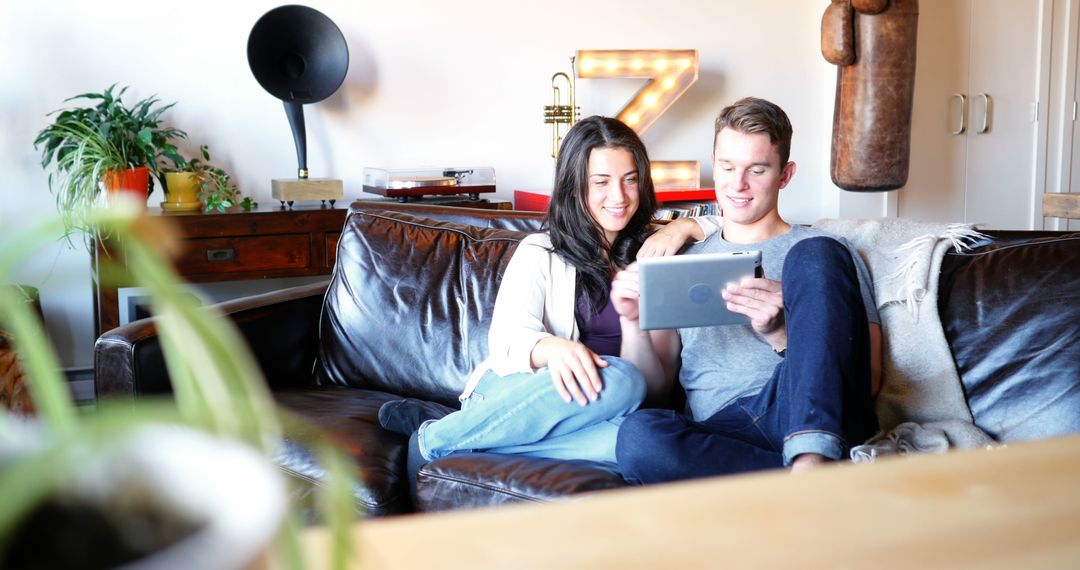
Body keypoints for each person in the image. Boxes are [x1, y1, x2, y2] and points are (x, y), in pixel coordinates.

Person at [378, 116, 668, 488]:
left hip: (595, 413)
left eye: (630, 180)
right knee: (624, 378)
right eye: (602, 182)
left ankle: (456, 436)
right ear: (575, 187)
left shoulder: (656, 260)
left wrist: (688, 227)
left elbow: (657, 389)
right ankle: (431, 442)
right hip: (519, 391)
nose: (620, 196)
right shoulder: (541, 251)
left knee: (644, 439)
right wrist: (553, 349)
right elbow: (507, 340)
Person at [610, 97, 881, 483]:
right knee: (638, 437)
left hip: (810, 412)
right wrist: (632, 320)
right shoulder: (680, 258)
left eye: (757, 170)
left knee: (816, 251)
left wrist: (780, 335)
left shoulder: (827, 255)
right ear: (714, 165)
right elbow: (655, 392)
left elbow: (867, 381)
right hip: (728, 432)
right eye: (727, 167)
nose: (738, 184)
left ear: (785, 175)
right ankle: (807, 485)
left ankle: (809, 459)